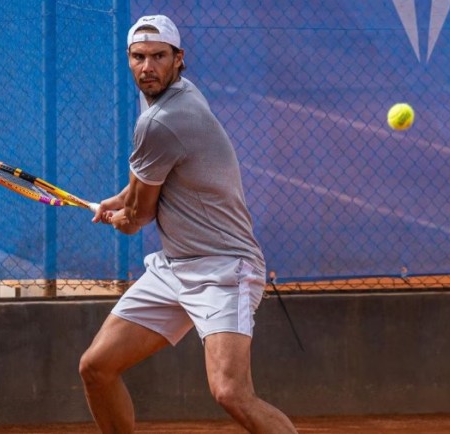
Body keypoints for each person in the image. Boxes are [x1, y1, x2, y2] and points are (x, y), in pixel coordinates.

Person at [78, 14, 298, 434]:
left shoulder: (163, 118)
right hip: (177, 266)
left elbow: (140, 216)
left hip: (224, 269)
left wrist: (124, 219)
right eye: (139, 57)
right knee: (96, 367)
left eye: (159, 56)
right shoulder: (165, 100)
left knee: (231, 393)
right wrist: (120, 200)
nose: (148, 67)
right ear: (128, 59)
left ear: (179, 58)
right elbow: (153, 179)